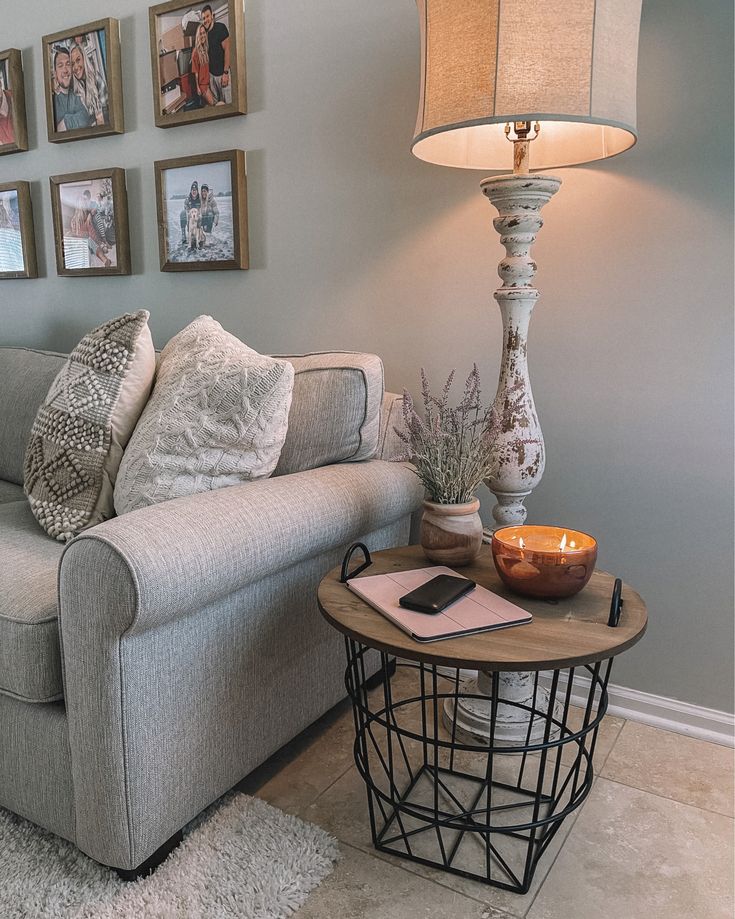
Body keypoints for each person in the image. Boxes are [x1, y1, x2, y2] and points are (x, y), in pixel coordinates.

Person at [52, 47, 94, 132]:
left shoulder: (77, 94)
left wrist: (65, 122)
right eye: (60, 66)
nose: (65, 70)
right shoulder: (52, 100)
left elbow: (84, 118)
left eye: (68, 64)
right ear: (55, 73)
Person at [70, 41, 107, 126]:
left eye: (78, 60)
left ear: (84, 58)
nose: (76, 67)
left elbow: (105, 114)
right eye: (72, 64)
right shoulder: (74, 91)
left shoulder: (97, 79)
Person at [202, 4, 231, 105]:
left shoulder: (220, 28)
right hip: (212, 77)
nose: (205, 20)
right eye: (203, 18)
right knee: (217, 105)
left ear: (212, 16)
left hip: (222, 74)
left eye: (207, 16)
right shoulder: (204, 34)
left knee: (228, 103)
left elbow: (228, 49)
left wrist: (226, 73)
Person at [191, 24, 215, 106]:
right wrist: (198, 88)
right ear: (198, 35)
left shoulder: (205, 48)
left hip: (209, 82)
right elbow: (196, 73)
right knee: (213, 104)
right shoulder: (195, 52)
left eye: (204, 33)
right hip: (203, 85)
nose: (203, 35)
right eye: (200, 34)